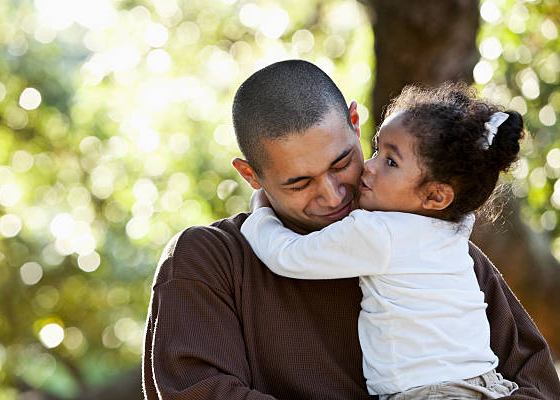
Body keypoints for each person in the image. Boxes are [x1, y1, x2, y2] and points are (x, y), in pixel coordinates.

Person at [142, 60, 560, 399]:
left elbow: (538, 385)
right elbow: (200, 392)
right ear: (252, 176)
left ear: (357, 123)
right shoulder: (209, 261)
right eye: (299, 183)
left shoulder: (439, 248)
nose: (333, 194)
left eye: (342, 162)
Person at [240, 83, 522, 399]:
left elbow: (287, 256)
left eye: (390, 162)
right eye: (377, 149)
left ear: (435, 195)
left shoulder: (377, 232)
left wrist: (260, 212)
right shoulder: (452, 232)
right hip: (486, 382)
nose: (370, 167)